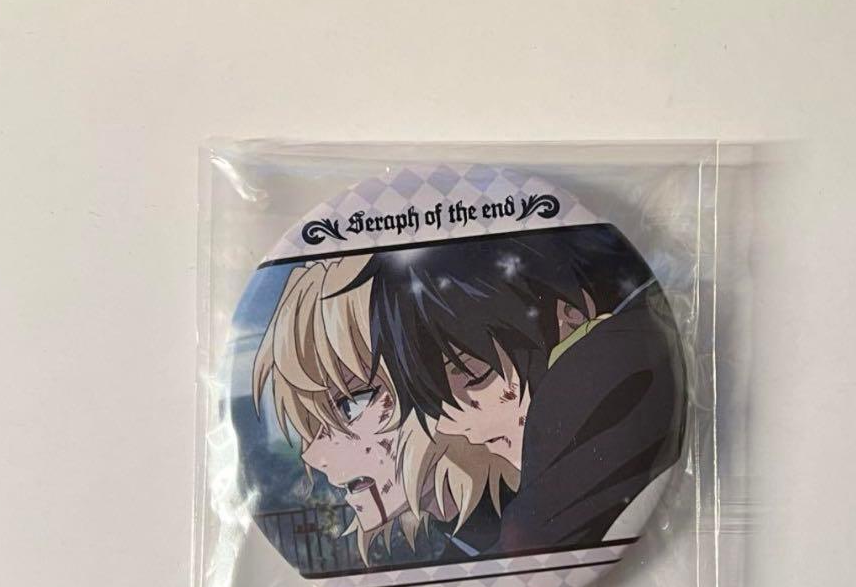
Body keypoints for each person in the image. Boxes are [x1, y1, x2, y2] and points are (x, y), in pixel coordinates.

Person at [343, 223, 687, 552]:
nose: (453, 427)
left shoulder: (596, 380)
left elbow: (533, 546)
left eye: (473, 376)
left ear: (570, 316)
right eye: (433, 401)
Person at [252, 256, 516, 564]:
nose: (312, 455)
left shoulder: (544, 514)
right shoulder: (463, 552)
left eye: (350, 405)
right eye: (312, 423)